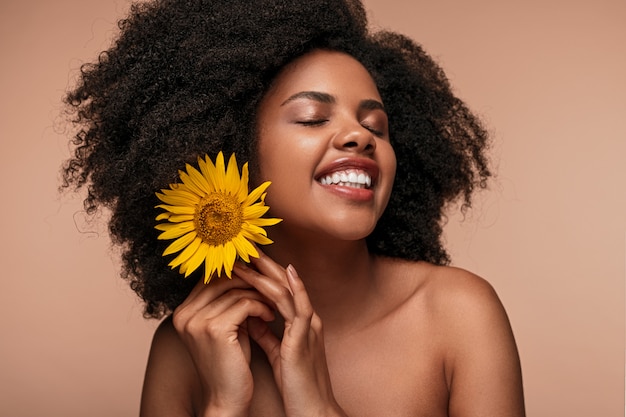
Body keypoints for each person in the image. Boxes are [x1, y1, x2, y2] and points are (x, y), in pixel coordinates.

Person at [62, 0, 525, 415]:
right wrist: (223, 406)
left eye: (377, 127)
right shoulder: (188, 344)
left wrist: (319, 408)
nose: (359, 136)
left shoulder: (458, 315)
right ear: (233, 146)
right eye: (313, 118)